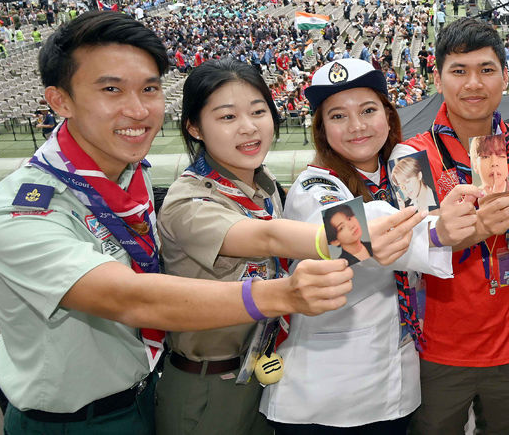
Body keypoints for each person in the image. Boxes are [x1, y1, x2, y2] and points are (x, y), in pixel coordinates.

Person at [0, 11, 353, 435]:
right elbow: (128, 299)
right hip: (73, 422)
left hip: (145, 394)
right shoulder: (22, 209)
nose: (138, 109)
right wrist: (284, 292)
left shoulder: (130, 175)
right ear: (59, 100)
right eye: (111, 89)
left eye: (150, 89)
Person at [156, 58, 415, 435]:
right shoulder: (188, 201)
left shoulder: (263, 186)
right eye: (227, 117)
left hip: (261, 371)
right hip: (209, 384)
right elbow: (268, 238)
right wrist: (353, 235)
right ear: (195, 126)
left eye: (258, 111)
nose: (248, 127)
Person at [260, 58, 469, 434]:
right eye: (338, 116)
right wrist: (436, 234)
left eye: (368, 110)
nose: (356, 126)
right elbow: (343, 233)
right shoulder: (315, 185)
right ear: (322, 129)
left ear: (388, 117)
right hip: (325, 395)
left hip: (396, 381)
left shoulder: (403, 170)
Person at [391, 18, 509, 435]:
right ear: (437, 78)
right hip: (438, 350)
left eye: (487, 70)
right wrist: (478, 227)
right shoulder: (410, 156)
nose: (474, 83)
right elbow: (412, 246)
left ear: (506, 77)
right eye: (459, 71)